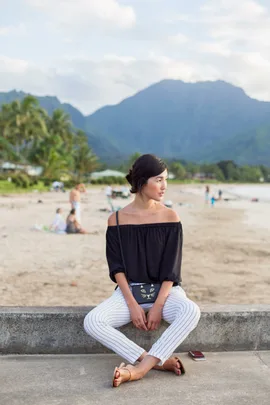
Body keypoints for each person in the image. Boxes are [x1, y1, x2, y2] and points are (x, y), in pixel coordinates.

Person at [83, 154, 201, 388]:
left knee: (191, 311)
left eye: (165, 179)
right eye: (158, 180)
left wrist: (157, 305)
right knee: (93, 321)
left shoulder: (170, 216)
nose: (164, 186)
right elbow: (116, 268)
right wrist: (132, 304)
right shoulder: (116, 220)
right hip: (130, 292)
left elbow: (172, 268)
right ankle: (158, 361)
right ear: (141, 182)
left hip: (166, 293)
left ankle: (139, 370)